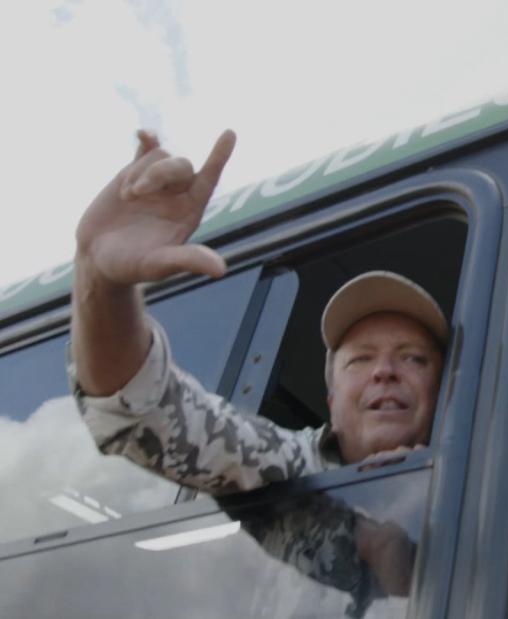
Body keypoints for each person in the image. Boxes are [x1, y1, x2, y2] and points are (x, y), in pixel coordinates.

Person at [68, 129, 447, 615]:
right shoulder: (286, 464)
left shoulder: (491, 478)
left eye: (413, 357)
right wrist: (100, 283)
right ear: (331, 398)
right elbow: (145, 409)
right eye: (361, 359)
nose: (385, 372)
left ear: (442, 387)